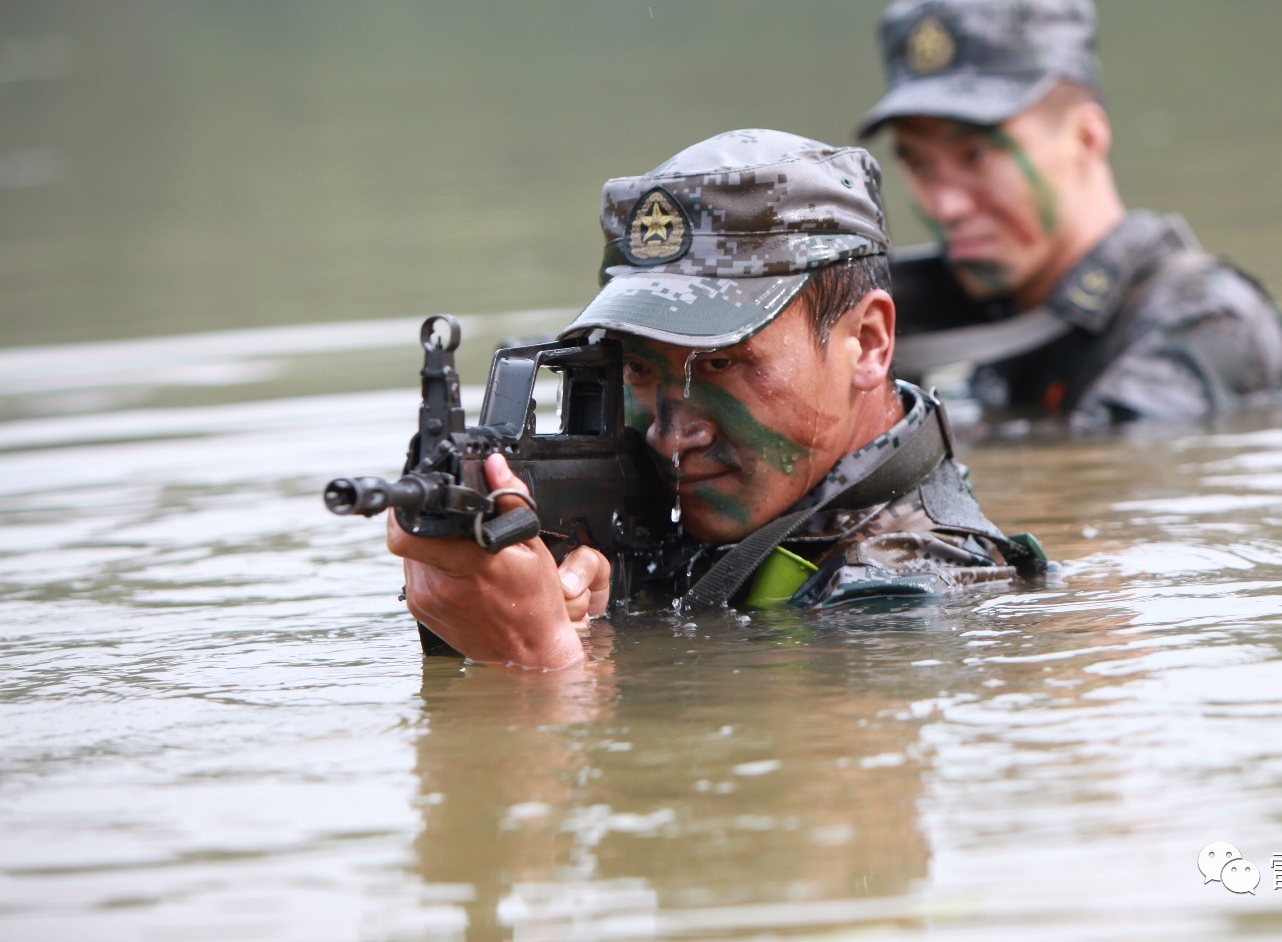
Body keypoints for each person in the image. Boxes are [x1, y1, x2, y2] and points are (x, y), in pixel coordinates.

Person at [390, 129, 1042, 670]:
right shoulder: (705, 518)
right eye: (640, 369)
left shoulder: (915, 591)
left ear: (868, 343)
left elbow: (742, 794)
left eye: (724, 363)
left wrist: (543, 659)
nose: (671, 434)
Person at [858, 0, 1282, 432]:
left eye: (976, 155)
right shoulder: (1005, 316)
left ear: (1086, 138)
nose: (945, 206)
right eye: (919, 165)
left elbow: (1106, 483)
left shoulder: (1204, 319)